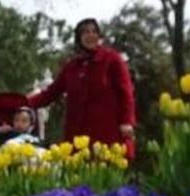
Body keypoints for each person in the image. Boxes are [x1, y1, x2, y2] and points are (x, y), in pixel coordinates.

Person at [27, 18, 136, 158]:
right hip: (78, 133)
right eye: (85, 32)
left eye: (94, 31)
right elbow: (50, 94)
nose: (90, 35)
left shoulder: (112, 59)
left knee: (108, 174)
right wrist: (22, 102)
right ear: (79, 38)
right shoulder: (72, 67)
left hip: (107, 131)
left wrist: (127, 121)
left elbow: (126, 93)